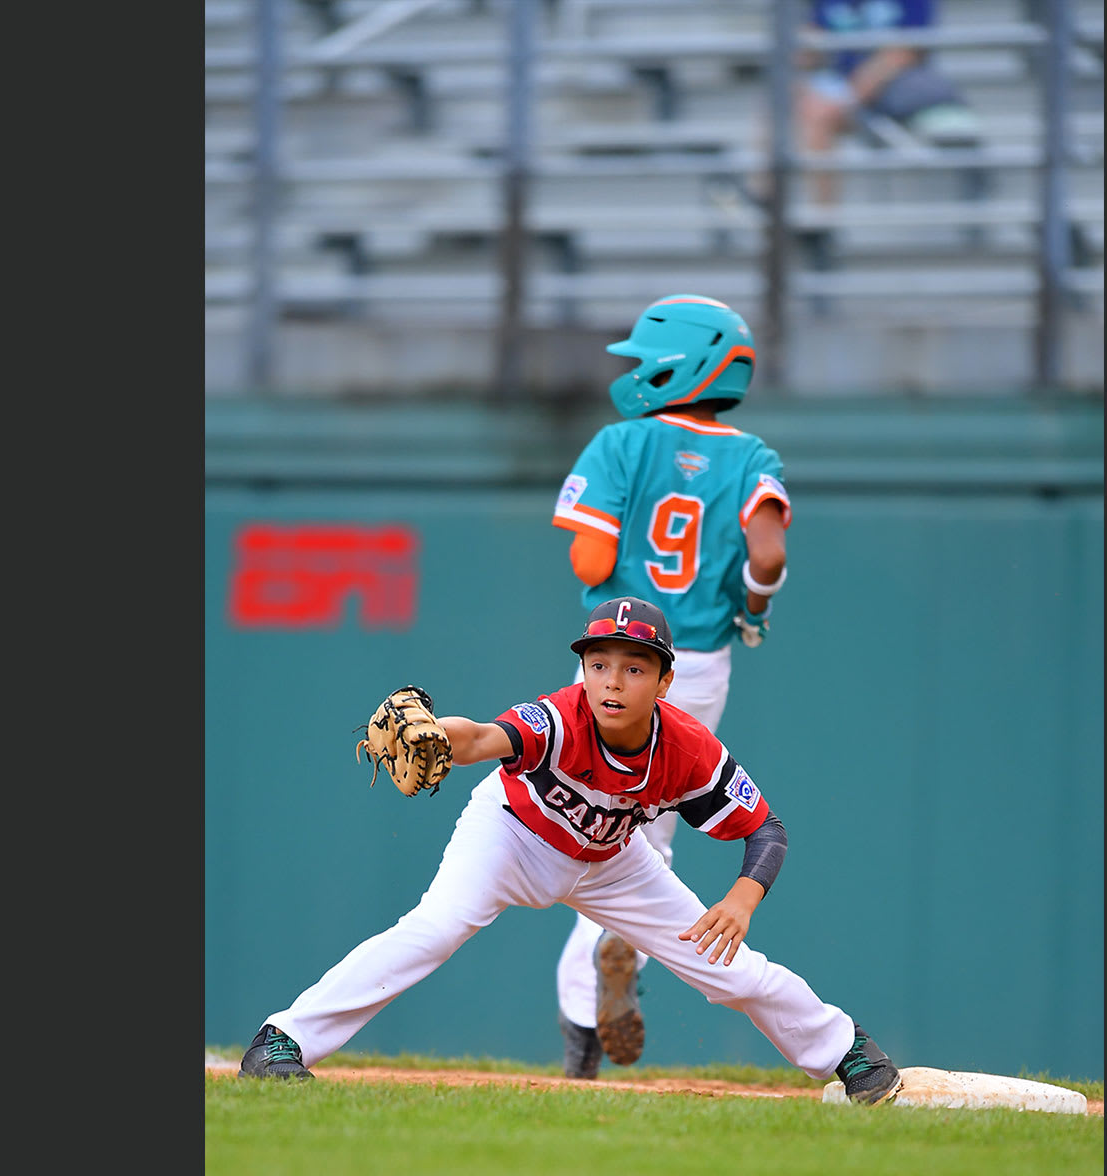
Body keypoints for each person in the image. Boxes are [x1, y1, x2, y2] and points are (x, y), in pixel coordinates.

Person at [236, 597, 906, 1108]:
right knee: (432, 930)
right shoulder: (560, 718)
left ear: (665, 682)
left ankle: (850, 1054)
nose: (612, 682)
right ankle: (281, 1041)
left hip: (614, 861)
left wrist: (741, 897)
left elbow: (766, 831)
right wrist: (436, 733)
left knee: (724, 968)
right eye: (598, 664)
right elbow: (479, 739)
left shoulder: (689, 750)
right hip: (511, 835)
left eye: (633, 667)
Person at [545, 293, 788, 1079]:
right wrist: (753, 601)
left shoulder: (622, 443)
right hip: (697, 667)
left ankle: (580, 1043)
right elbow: (766, 556)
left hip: (617, 662)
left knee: (575, 834)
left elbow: (588, 563)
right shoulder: (754, 457)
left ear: (674, 364)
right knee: (645, 843)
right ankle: (606, 994)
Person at [798, 0, 970, 204]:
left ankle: (819, 220)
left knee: (817, 112)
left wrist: (850, 96)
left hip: (894, 90)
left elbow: (904, 52)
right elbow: (809, 50)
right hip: (839, 87)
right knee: (785, 103)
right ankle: (769, 200)